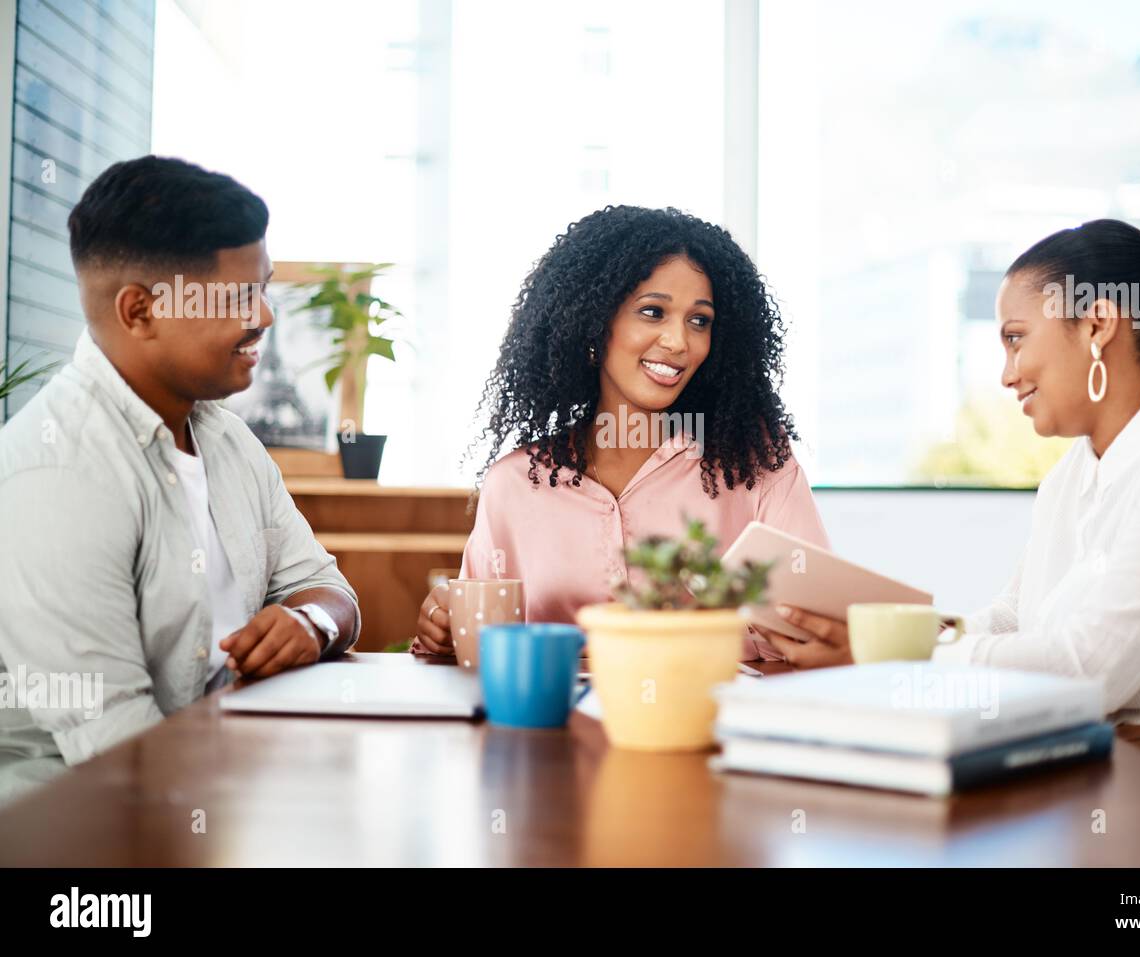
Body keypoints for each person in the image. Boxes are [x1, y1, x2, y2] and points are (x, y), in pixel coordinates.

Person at [777, 219, 1140, 824]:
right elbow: (1012, 619)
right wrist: (889, 633)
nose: (1007, 374)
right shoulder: (1070, 478)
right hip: (1105, 766)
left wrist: (898, 662)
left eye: (1017, 339)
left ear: (1099, 325)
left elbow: (1089, 670)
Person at [0, 156, 361, 804]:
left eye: (265, 287)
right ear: (139, 310)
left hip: (220, 786)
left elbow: (330, 590)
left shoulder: (224, 435)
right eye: (238, 297)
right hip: (88, 837)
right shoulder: (55, 475)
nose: (266, 317)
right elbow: (120, 756)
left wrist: (309, 622)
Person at [411, 205, 828, 662]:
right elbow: (478, 646)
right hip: (555, 728)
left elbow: (811, 632)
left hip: (708, 724)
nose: (678, 342)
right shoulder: (514, 485)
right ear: (594, 323)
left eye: (699, 320)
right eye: (653, 312)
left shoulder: (756, 467)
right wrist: (444, 626)